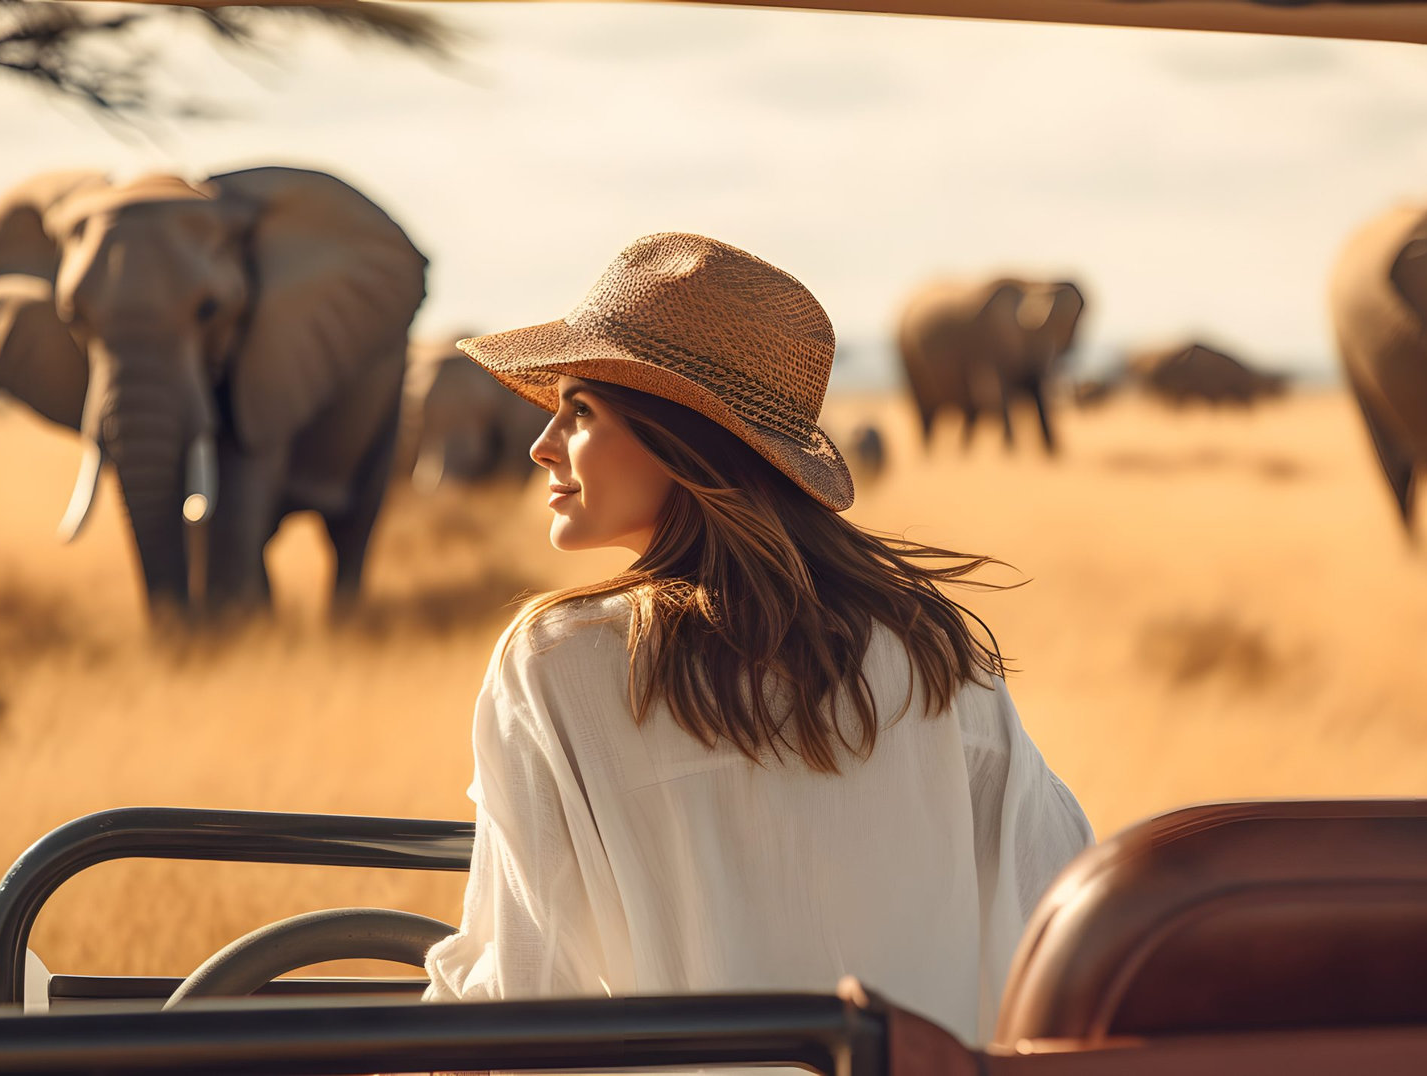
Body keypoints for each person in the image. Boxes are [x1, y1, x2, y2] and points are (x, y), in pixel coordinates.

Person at [422, 233, 1093, 1045]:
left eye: (582, 411)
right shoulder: (936, 653)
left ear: (682, 437)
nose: (541, 444)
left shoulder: (554, 664)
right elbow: (1057, 902)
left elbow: (517, 992)